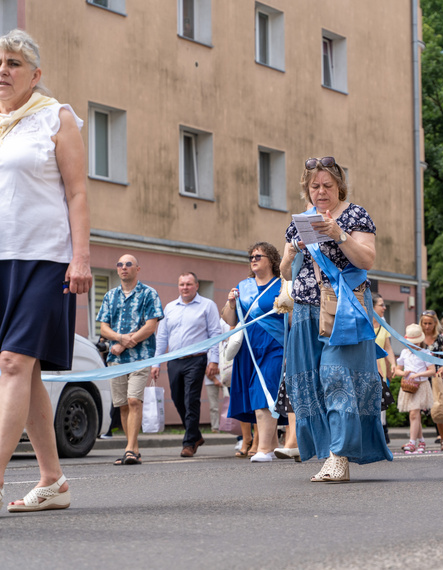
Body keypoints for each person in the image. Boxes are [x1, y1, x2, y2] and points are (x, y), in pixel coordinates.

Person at [0, 29, 92, 512]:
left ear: (35, 74)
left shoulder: (56, 118)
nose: (3, 70)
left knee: (13, 363)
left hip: (45, 259)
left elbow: (77, 193)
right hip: (2, 259)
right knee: (25, 372)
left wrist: (81, 257)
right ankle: (53, 480)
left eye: (14, 63)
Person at [280, 156, 392, 482]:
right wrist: (290, 252)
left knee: (336, 376)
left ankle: (340, 456)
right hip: (304, 311)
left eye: (327, 185)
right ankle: (328, 452)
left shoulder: (356, 215)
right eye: (314, 186)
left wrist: (340, 234)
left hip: (343, 307)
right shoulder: (300, 220)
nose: (321, 191)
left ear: (339, 186)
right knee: (310, 384)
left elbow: (367, 259)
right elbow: (286, 273)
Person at [97, 255, 163, 466]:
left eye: (128, 264)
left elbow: (151, 326)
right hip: (115, 359)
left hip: (140, 357)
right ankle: (132, 449)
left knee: (134, 400)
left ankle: (129, 449)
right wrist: (118, 338)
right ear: (117, 270)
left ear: (137, 269)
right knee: (123, 405)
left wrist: (124, 343)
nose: (123, 268)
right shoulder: (110, 295)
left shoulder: (148, 293)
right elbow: (103, 328)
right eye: (120, 265)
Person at [222, 242, 285, 463]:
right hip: (248, 348)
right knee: (257, 393)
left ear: (272, 260)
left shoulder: (282, 284)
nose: (254, 259)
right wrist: (231, 303)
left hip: (274, 346)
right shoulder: (243, 285)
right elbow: (230, 319)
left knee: (263, 390)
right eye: (251, 257)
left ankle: (264, 448)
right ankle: (275, 445)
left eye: (259, 255)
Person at [152, 271, 221, 457]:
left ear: (196, 286)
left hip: (197, 359)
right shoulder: (170, 308)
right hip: (174, 360)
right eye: (182, 284)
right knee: (177, 398)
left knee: (191, 399)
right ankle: (196, 434)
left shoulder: (207, 306)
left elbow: (215, 333)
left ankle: (189, 442)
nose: (185, 288)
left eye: (189, 284)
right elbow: (162, 336)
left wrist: (214, 360)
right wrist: (156, 363)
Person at [395, 324, 436, 453]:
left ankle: (412, 442)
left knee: (414, 413)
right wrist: (403, 373)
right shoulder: (404, 353)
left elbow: (432, 370)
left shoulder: (425, 353)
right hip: (409, 386)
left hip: (421, 386)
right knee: (414, 414)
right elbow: (397, 369)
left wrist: (419, 374)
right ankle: (421, 441)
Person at [421, 309, 443, 451]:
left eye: (430, 323)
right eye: (425, 323)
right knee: (417, 409)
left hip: (436, 377)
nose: (427, 326)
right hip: (421, 376)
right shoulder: (417, 338)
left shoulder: (441, 338)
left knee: (439, 407)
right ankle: (418, 440)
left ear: (435, 323)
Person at [373, 294, 395, 445]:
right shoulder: (365, 324)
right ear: (373, 307)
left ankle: (382, 438)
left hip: (382, 373)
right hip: (370, 370)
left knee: (382, 407)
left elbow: (388, 347)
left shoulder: (383, 326)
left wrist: (393, 364)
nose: (384, 307)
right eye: (381, 305)